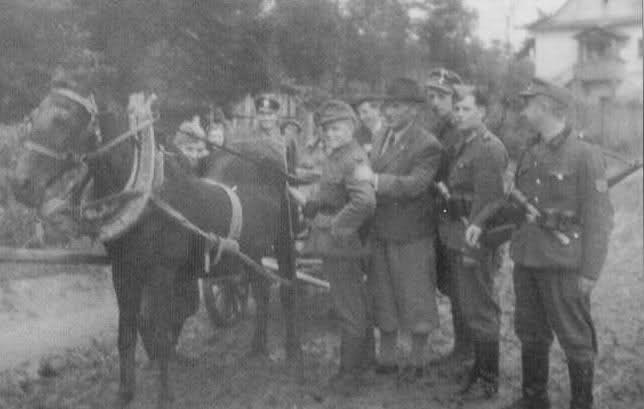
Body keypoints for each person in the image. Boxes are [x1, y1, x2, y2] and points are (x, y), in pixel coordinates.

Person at [503, 78, 613, 409]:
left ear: (549, 107)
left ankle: (582, 403)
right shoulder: (530, 151)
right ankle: (534, 398)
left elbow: (599, 220)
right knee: (531, 331)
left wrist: (590, 272)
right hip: (528, 259)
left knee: (575, 338)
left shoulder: (585, 155)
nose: (524, 110)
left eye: (530, 103)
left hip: (564, 263)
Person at [365, 77, 443, 381]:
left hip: (412, 234)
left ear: (412, 110)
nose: (388, 111)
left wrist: (374, 181)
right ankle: (387, 356)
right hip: (381, 229)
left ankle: (418, 359)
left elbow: (415, 185)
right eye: (387, 105)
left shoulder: (428, 145)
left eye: (395, 106)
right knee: (383, 292)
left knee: (415, 295)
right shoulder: (381, 134)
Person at [437, 87, 509, 401]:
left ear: (483, 112)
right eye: (457, 109)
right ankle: (478, 371)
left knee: (481, 309)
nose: (459, 114)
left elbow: (490, 202)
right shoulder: (462, 145)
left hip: (475, 239)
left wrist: (473, 241)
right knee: (469, 305)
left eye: (466, 109)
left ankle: (488, 379)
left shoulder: (489, 148)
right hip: (457, 235)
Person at [302, 99, 376, 395]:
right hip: (334, 244)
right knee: (353, 305)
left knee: (349, 309)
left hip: (342, 245)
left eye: (336, 128)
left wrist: (337, 227)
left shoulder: (353, 158)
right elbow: (338, 194)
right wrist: (318, 204)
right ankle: (365, 365)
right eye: (325, 129)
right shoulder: (337, 156)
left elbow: (365, 202)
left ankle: (349, 375)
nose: (329, 134)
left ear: (351, 128)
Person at [424, 68, 475, 369]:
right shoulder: (438, 129)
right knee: (451, 283)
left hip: (461, 216)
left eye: (441, 96)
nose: (435, 102)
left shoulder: (461, 132)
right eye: (431, 96)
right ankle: (462, 346)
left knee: (463, 284)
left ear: (456, 99)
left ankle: (469, 350)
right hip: (443, 213)